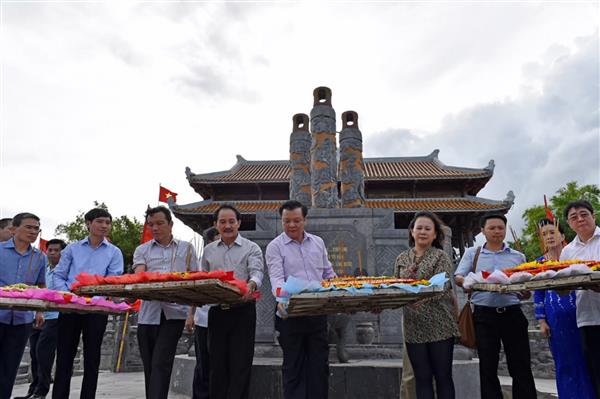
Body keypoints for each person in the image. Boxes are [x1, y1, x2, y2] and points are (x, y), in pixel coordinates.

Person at [455, 213, 536, 399]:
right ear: (483, 230)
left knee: (521, 365)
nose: (497, 231)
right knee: (487, 367)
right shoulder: (472, 253)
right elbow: (459, 277)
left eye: (500, 228)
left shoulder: (518, 256)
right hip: (484, 316)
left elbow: (525, 286)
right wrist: (471, 282)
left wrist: (524, 292)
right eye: (492, 228)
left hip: (513, 313)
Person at [265, 200, 336, 399]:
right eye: (286, 221)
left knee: (319, 366)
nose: (292, 225)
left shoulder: (318, 242)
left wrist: (341, 290)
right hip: (290, 312)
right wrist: (282, 298)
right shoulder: (275, 247)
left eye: (296, 220)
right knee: (293, 366)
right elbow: (277, 278)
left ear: (305, 220)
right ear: (281, 221)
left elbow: (328, 272)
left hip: (317, 311)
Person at [52, 208, 124, 399]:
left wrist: (96, 298)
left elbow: (113, 280)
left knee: (92, 358)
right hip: (70, 308)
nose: (104, 226)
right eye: (100, 221)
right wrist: (69, 296)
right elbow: (59, 275)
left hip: (97, 309)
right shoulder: (72, 249)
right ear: (88, 223)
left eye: (107, 222)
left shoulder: (114, 252)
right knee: (64, 357)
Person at [132, 206, 199, 399]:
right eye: (151, 224)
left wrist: (191, 314)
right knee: (150, 365)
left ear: (171, 224)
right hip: (148, 314)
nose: (155, 228)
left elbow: (194, 282)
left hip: (175, 313)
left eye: (160, 223)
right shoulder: (142, 250)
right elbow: (140, 276)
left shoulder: (186, 248)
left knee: (161, 361)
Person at [394, 211, 459, 399]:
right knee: (421, 378)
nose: (423, 231)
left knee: (443, 376)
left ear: (435, 234)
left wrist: (420, 300)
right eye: (419, 228)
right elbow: (394, 286)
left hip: (440, 325)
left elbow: (443, 285)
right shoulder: (401, 258)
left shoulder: (440, 256)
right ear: (412, 232)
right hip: (414, 326)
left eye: (427, 229)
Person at [201, 204, 264, 399]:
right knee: (217, 364)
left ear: (239, 223)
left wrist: (251, 286)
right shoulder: (209, 250)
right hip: (217, 312)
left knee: (240, 364)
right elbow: (203, 277)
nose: (227, 226)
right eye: (222, 222)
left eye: (231, 221)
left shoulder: (251, 248)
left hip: (242, 310)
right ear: (216, 224)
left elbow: (256, 272)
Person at [533, 218, 595, 399]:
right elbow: (539, 293)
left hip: (581, 313)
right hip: (556, 319)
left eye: (552, 232)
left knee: (586, 360)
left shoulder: (575, 257)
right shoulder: (538, 263)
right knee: (564, 361)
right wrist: (542, 320)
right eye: (544, 234)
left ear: (562, 235)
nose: (549, 237)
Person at [0, 213, 46, 399]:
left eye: (36, 228)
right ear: (13, 229)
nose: (33, 231)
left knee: (10, 367)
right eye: (28, 227)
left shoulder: (39, 257)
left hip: (22, 320)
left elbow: (41, 286)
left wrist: (39, 311)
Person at [16, 239, 67, 399]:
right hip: (36, 315)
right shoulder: (43, 270)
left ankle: (42, 390)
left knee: (43, 353)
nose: (52, 253)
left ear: (63, 253)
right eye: (49, 250)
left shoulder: (64, 272)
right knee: (33, 353)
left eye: (55, 250)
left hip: (55, 317)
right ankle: (33, 389)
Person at [560, 200, 600, 398]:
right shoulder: (567, 251)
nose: (580, 219)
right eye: (573, 217)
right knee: (596, 370)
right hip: (588, 317)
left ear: (593, 215)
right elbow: (564, 286)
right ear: (569, 224)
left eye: (584, 214)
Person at [190, 226, 220, 399]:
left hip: (224, 319)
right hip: (203, 318)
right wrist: (190, 315)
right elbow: (195, 290)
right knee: (203, 362)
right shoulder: (204, 259)